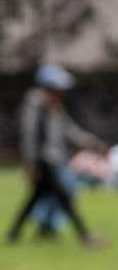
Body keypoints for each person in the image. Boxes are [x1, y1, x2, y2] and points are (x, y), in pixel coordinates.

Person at [6, 63, 105, 247]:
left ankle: (17, 234)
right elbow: (29, 136)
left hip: (53, 160)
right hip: (44, 161)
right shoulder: (35, 104)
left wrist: (91, 142)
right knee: (65, 197)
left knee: (34, 199)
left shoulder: (54, 106)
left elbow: (69, 130)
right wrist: (31, 164)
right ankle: (85, 237)